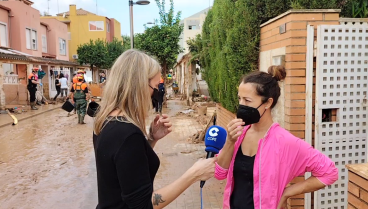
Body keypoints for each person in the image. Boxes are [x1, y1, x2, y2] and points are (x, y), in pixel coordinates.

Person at [93, 49, 216, 209]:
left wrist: (151, 139)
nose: (156, 94)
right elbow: (144, 204)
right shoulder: (127, 134)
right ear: (139, 86)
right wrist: (193, 175)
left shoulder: (105, 120)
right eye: (155, 87)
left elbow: (125, 169)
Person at [215, 65, 338, 209]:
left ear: (268, 103)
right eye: (239, 99)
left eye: (247, 101)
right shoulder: (239, 134)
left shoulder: (284, 141)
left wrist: (287, 193)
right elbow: (219, 173)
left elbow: (329, 172)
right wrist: (230, 141)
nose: (241, 105)